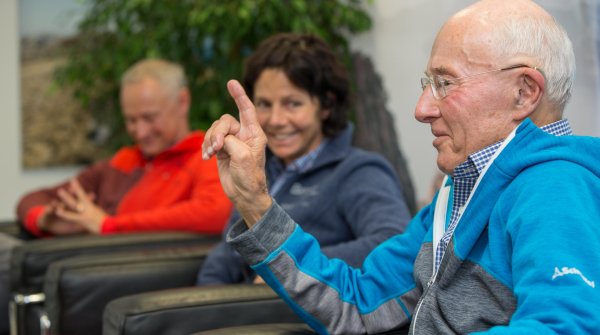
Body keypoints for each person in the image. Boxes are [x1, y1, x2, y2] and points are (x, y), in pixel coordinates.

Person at [202, 0, 600, 334]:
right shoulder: (460, 190)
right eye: (427, 83)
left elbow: (565, 327)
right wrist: (255, 201)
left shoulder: (554, 184)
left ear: (524, 91)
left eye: (445, 83)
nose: (422, 109)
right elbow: (357, 305)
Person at [0, 59, 232, 333]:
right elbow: (32, 199)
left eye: (149, 117)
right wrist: (44, 220)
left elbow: (215, 213)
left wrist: (108, 226)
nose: (140, 132)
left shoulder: (204, 157)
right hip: (79, 263)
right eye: (131, 120)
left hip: (123, 274)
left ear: (182, 102)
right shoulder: (124, 160)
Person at [197, 33, 411, 285]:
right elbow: (227, 255)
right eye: (264, 104)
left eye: (293, 104)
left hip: (299, 317)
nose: (276, 120)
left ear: (326, 105)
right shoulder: (266, 168)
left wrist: (290, 268)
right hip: (241, 310)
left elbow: (391, 242)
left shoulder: (359, 171)